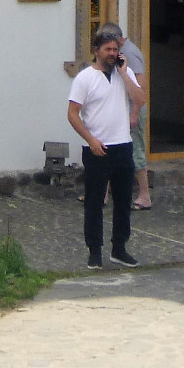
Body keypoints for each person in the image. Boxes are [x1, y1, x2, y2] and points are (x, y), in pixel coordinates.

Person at [67, 29, 145, 269]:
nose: (112, 54)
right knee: (94, 201)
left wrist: (124, 73)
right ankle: (94, 251)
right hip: (97, 148)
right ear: (96, 51)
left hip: (123, 145)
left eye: (115, 50)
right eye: (108, 50)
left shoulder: (125, 73)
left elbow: (140, 99)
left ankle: (119, 248)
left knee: (123, 201)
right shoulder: (85, 78)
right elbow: (72, 114)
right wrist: (91, 140)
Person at [95, 24, 153, 209]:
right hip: (119, 110)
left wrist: (134, 114)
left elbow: (141, 88)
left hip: (131, 111)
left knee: (135, 152)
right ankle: (102, 195)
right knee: (109, 150)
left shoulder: (129, 53)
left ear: (118, 40)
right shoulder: (117, 54)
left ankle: (144, 196)